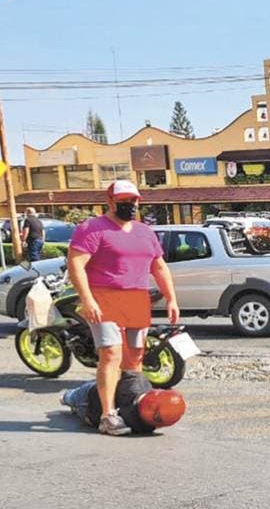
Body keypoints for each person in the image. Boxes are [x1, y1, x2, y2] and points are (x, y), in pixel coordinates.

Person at [67, 180, 181, 436]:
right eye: (124, 201)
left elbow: (159, 266)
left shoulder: (144, 232)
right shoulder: (92, 228)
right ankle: (107, 416)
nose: (129, 205)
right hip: (104, 296)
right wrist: (87, 299)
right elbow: (76, 264)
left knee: (135, 358)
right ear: (110, 201)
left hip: (136, 298)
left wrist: (171, 298)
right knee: (110, 353)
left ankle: (128, 405)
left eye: (133, 200)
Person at [60, 370, 186, 435]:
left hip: (89, 397)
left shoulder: (136, 382)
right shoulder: (144, 427)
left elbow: (115, 371)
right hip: (90, 415)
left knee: (72, 396)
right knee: (76, 398)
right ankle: (68, 401)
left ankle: (65, 398)